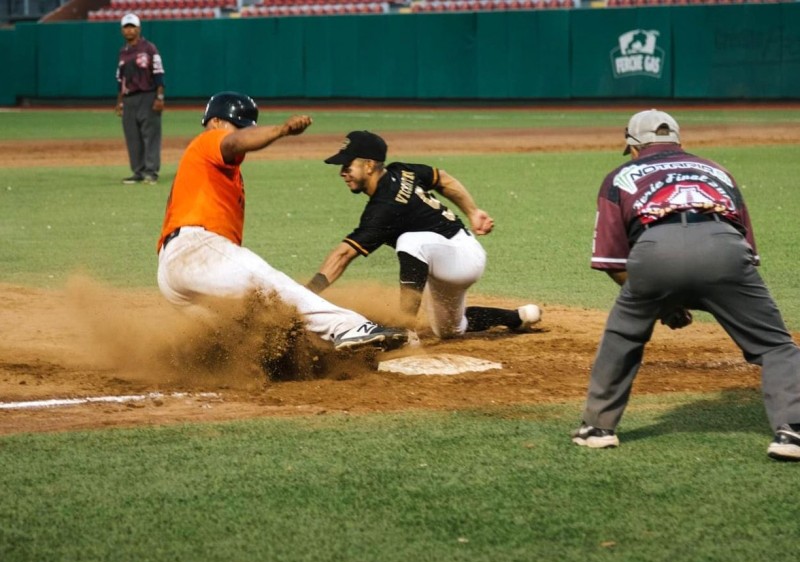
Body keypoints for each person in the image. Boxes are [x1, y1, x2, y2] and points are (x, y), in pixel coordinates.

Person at [572, 108, 800, 462]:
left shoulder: (620, 176)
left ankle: (598, 428)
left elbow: (612, 261)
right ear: (679, 142)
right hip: (723, 248)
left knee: (623, 337)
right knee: (776, 345)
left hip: (654, 254)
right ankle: (793, 431)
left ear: (633, 147)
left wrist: (663, 303)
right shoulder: (718, 170)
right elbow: (749, 252)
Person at [156, 92, 408, 352]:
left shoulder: (209, 172)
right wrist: (280, 130)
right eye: (239, 126)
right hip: (196, 251)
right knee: (270, 286)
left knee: (252, 338)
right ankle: (349, 327)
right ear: (216, 122)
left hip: (175, 272)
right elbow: (233, 142)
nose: (243, 134)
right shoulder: (208, 141)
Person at [307, 130, 541, 340]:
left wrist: (305, 294)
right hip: (444, 259)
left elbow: (343, 254)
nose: (342, 173)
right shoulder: (402, 171)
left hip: (461, 255)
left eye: (347, 166)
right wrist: (472, 211)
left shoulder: (383, 208)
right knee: (450, 330)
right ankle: (518, 317)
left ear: (369, 165)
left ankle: (405, 329)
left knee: (409, 241)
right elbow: (443, 179)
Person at [115, 13, 165, 185]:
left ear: (139, 28)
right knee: (133, 136)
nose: (129, 30)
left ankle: (151, 172)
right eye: (126, 27)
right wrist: (119, 102)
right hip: (129, 99)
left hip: (148, 95)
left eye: (132, 27)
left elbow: (158, 73)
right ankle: (138, 171)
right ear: (122, 30)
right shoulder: (123, 52)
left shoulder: (149, 48)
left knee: (151, 135)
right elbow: (120, 79)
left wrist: (159, 96)